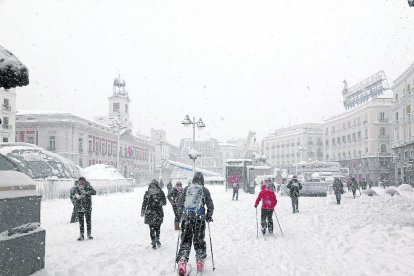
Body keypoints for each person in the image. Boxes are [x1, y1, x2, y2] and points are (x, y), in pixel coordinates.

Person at [176, 172, 214, 275]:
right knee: (199, 240)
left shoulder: (187, 188)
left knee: (185, 241)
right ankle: (200, 261)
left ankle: (183, 261)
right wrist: (209, 215)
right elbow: (210, 205)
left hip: (187, 219)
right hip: (199, 219)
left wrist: (181, 216)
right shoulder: (204, 190)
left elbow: (179, 203)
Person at [141, 179, 167, 249]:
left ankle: (153, 242)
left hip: (150, 213)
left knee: (151, 229)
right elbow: (164, 202)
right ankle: (157, 240)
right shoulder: (160, 192)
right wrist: (159, 202)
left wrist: (143, 211)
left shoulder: (147, 193)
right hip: (158, 212)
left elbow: (144, 203)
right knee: (158, 228)